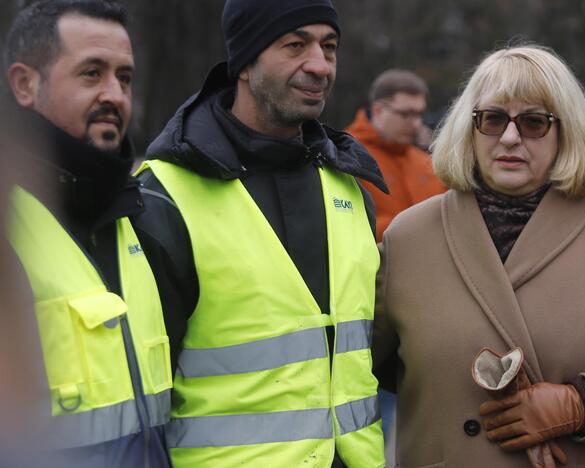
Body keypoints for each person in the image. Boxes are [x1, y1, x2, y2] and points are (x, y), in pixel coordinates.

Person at [372, 43, 585, 468]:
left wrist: (583, 404)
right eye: (492, 119)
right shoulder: (410, 237)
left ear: (565, 132)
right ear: (469, 128)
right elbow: (360, 368)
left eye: (533, 122)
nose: (510, 137)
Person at [135, 0, 387, 466]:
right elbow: (140, 403)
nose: (319, 65)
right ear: (245, 62)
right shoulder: (164, 195)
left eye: (328, 47)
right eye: (295, 45)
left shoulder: (349, 189)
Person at [3, 1, 172, 466]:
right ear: (24, 84)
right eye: (91, 73)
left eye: (125, 78)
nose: (115, 96)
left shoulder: (142, 217)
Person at [346, 69, 445, 241]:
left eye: (420, 114)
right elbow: (346, 225)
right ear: (378, 110)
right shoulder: (345, 155)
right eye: (406, 114)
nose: (416, 124)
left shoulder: (425, 162)